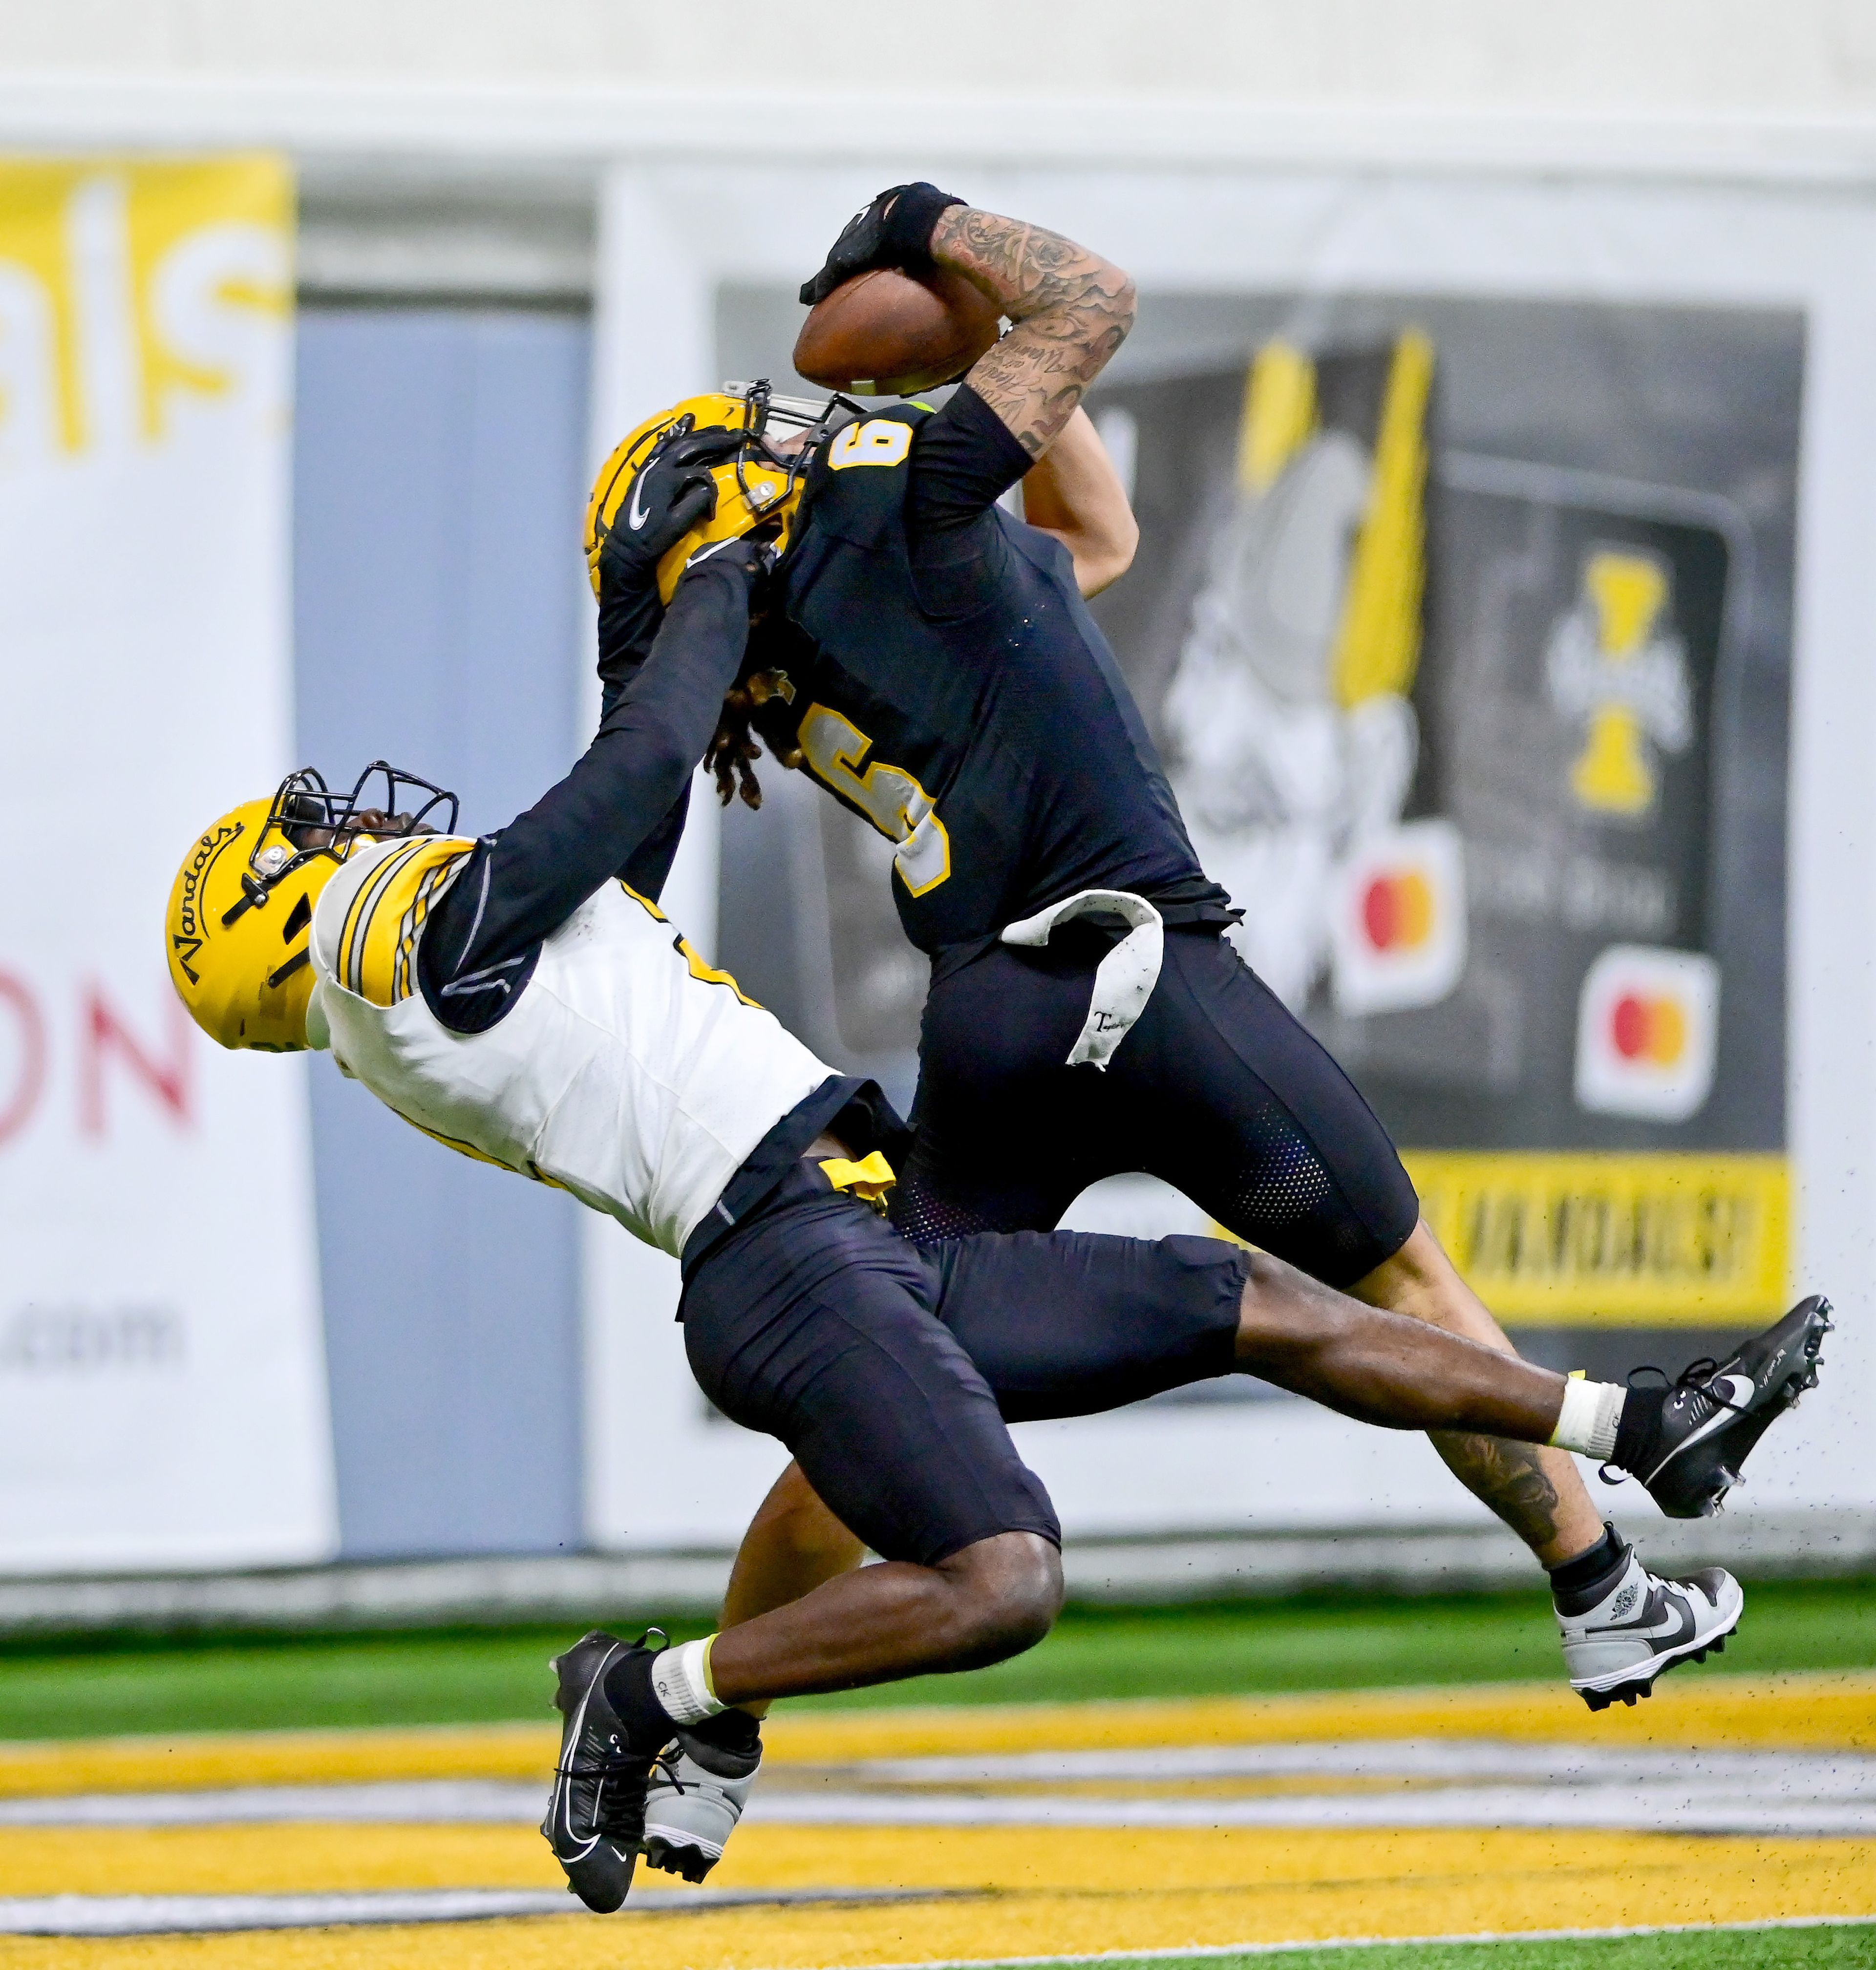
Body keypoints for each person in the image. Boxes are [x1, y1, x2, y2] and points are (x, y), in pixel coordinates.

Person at [167, 479, 1820, 1916]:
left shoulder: (437, 971)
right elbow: (640, 761)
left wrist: (666, 624)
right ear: (281, 909)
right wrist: (718, 585)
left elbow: (639, 813)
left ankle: (1641, 1419)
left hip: (850, 1230)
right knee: (1005, 1575)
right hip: (786, 1263)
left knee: (1251, 1299)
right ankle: (655, 1688)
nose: (361, 817)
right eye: (312, 830)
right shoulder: (388, 947)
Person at [585, 183, 1825, 1801]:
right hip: (1144, 980)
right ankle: (1601, 1590)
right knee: (1397, 1272)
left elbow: (1105, 541)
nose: (790, 431)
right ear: (738, 506)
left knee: (892, 1368)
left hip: (989, 1021)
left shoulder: (806, 627)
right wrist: (934, 227)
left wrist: (967, 367)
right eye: (753, 444)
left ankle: (708, 1734)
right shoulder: (915, 515)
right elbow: (1089, 299)